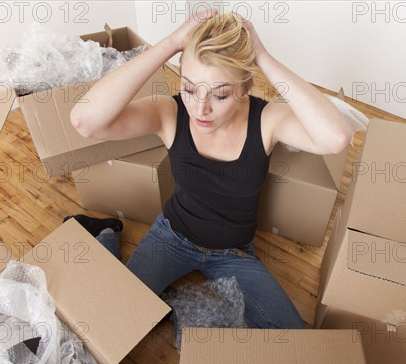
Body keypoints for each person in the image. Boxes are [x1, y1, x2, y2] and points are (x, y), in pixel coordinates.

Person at [69, 10, 353, 329]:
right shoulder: (170, 113)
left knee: (294, 338)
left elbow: (336, 138)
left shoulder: (267, 120)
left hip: (234, 252)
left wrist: (262, 57)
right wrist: (172, 43)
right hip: (172, 236)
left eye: (220, 94)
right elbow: (85, 121)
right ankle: (107, 236)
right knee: (114, 322)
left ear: (245, 87)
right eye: (190, 88)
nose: (200, 109)